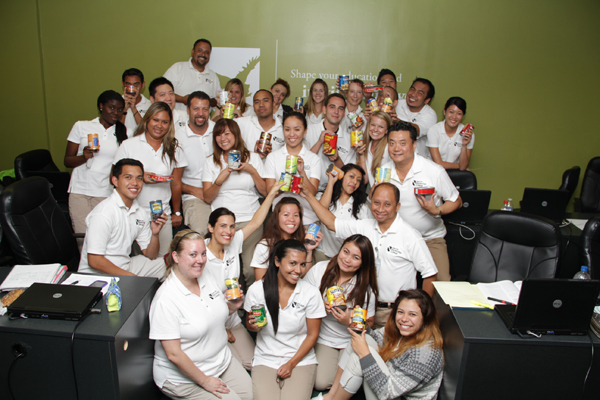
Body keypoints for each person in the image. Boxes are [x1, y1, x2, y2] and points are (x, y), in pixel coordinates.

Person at [303, 182, 437, 328]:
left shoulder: (410, 235)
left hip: (394, 310)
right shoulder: (363, 226)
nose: (380, 209)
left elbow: (430, 274)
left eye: (387, 204)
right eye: (376, 203)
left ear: (397, 206)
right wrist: (309, 195)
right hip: (363, 308)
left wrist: (421, 312)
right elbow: (332, 223)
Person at [149, 230, 252, 400]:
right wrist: (205, 381)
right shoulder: (165, 299)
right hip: (185, 379)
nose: (201, 260)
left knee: (249, 396)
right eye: (193, 254)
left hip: (220, 361)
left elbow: (213, 316)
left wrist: (232, 307)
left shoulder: (205, 275)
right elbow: (173, 354)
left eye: (203, 253)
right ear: (175, 256)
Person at [203, 182, 282, 371]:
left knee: (252, 363)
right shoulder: (200, 254)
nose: (228, 231)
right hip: (209, 321)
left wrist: (271, 194)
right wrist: (220, 330)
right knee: (229, 366)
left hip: (232, 318)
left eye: (231, 226)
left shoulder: (233, 242)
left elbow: (255, 222)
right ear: (211, 228)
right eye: (222, 226)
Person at [320, 289, 443, 400]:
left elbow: (388, 392)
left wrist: (364, 354)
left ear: (426, 318)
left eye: (412, 314)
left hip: (394, 394)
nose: (404, 319)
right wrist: (360, 323)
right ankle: (331, 396)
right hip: (389, 386)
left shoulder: (426, 352)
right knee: (362, 339)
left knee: (360, 355)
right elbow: (375, 338)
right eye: (400, 312)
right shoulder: (400, 330)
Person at [244, 239, 327, 400]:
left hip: (300, 359)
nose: (298, 270)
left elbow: (312, 335)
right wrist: (252, 325)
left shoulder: (310, 293)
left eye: (302, 265)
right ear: (277, 261)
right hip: (266, 358)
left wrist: (291, 363)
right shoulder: (257, 290)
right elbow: (250, 325)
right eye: (292, 263)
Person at [381, 121, 462, 282]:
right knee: (390, 285)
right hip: (396, 238)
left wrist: (436, 210)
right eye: (392, 143)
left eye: (402, 143)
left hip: (430, 239)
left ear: (414, 145)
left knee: (442, 286)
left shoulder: (433, 171)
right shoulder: (384, 171)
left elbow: (456, 201)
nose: (396, 148)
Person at [303, 234, 379, 392]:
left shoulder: (366, 287)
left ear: (363, 263)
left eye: (356, 257)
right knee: (321, 383)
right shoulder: (320, 269)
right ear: (340, 249)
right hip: (324, 338)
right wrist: (319, 308)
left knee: (349, 382)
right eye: (346, 252)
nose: (347, 260)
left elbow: (370, 322)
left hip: (351, 340)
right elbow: (301, 301)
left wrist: (349, 320)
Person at [113, 101, 188, 256]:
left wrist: (176, 212)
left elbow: (176, 184)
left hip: (160, 215)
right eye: (155, 120)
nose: (159, 125)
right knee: (132, 260)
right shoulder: (129, 145)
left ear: (169, 125)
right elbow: (113, 179)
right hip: (132, 213)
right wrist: (140, 177)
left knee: (163, 261)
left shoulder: (174, 149)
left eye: (164, 122)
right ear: (147, 120)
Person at [202, 118, 266, 286]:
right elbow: (207, 197)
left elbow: (265, 191)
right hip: (223, 223)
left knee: (250, 271)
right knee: (222, 270)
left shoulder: (252, 158)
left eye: (227, 133)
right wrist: (219, 180)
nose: (223, 138)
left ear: (236, 135)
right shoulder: (211, 161)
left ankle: (251, 307)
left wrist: (251, 170)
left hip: (250, 220)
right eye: (218, 135)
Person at [77, 159, 167, 278]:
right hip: (96, 275)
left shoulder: (139, 212)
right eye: (128, 177)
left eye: (139, 178)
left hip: (124, 266)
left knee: (173, 264)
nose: (135, 183)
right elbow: (94, 261)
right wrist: (130, 277)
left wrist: (155, 234)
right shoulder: (103, 213)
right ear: (115, 181)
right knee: (136, 282)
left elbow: (151, 255)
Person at [64, 90, 131, 246]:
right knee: (84, 240)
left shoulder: (122, 132)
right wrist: (83, 156)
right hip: (80, 192)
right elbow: (67, 160)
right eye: (111, 107)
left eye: (120, 109)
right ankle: (85, 271)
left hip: (105, 193)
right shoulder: (82, 126)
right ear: (101, 106)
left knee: (104, 240)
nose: (116, 113)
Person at [264, 112, 322, 226]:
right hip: (281, 221)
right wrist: (285, 180)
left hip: (307, 220)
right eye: (287, 129)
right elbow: (269, 192)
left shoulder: (313, 158)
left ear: (305, 131)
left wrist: (302, 172)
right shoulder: (273, 157)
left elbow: (313, 192)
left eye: (297, 129)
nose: (291, 134)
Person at [251, 197, 323, 281]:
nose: (292, 219)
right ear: (276, 218)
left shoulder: (301, 242)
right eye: (286, 215)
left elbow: (305, 278)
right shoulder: (265, 245)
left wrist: (309, 250)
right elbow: (260, 282)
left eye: (296, 215)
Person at [313, 164, 373, 262]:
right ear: (341, 175)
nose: (354, 182)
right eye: (352, 176)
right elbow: (320, 211)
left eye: (358, 180)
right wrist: (331, 182)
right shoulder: (325, 197)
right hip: (322, 254)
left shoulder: (362, 208)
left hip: (345, 259)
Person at [176, 91, 215, 237]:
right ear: (187, 110)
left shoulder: (219, 130)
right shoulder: (178, 137)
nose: (201, 113)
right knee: (202, 234)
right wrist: (195, 190)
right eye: (196, 109)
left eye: (205, 109)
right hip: (195, 197)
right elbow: (173, 179)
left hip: (221, 193)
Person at [306, 93, 357, 192]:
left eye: (341, 108)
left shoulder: (349, 139)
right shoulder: (308, 131)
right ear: (324, 109)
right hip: (308, 189)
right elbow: (302, 162)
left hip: (335, 192)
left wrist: (337, 159)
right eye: (332, 107)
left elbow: (349, 176)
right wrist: (319, 143)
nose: (336, 112)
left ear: (344, 113)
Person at [164, 38, 220, 111]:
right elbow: (162, 93)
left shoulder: (213, 76)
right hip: (177, 120)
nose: (203, 54)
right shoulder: (178, 68)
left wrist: (209, 101)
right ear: (193, 52)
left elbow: (218, 101)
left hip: (203, 121)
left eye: (207, 52)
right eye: (200, 50)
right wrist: (182, 99)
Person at [395, 78, 438, 158]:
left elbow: (415, 130)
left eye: (420, 93)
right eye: (412, 89)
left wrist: (395, 120)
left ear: (427, 100)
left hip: (417, 160)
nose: (413, 94)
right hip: (393, 157)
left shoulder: (430, 115)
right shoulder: (397, 104)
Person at [427, 97, 474, 170]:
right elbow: (438, 163)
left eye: (459, 113)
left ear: (463, 115)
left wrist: (464, 145)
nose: (454, 117)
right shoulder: (434, 130)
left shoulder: (467, 133)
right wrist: (460, 166)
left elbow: (463, 166)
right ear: (444, 111)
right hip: (432, 171)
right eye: (451, 112)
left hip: (453, 174)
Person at [237, 89, 285, 161]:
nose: (261, 105)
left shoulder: (284, 128)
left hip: (273, 172)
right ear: (253, 106)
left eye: (265, 101)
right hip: (248, 171)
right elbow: (219, 127)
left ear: (273, 104)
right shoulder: (243, 123)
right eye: (257, 102)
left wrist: (271, 156)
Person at [356, 111, 393, 187]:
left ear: (387, 130)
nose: (375, 129)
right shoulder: (366, 146)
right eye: (373, 125)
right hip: (373, 195)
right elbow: (364, 179)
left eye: (381, 127)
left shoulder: (389, 148)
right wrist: (361, 155)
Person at [120, 68, 151, 132]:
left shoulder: (150, 105)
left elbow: (147, 131)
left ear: (142, 85)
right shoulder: (117, 102)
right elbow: (114, 130)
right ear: (123, 84)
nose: (132, 88)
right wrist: (124, 110)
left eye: (136, 84)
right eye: (128, 84)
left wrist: (133, 108)